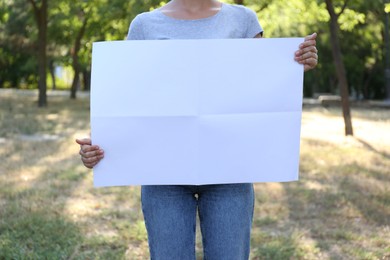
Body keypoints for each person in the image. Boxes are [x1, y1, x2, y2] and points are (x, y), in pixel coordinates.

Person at [76, 0, 318, 259]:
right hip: (162, 174)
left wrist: (294, 66)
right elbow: (129, 97)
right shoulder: (144, 25)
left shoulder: (243, 20)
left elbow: (258, 87)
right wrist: (103, 142)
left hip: (230, 172)